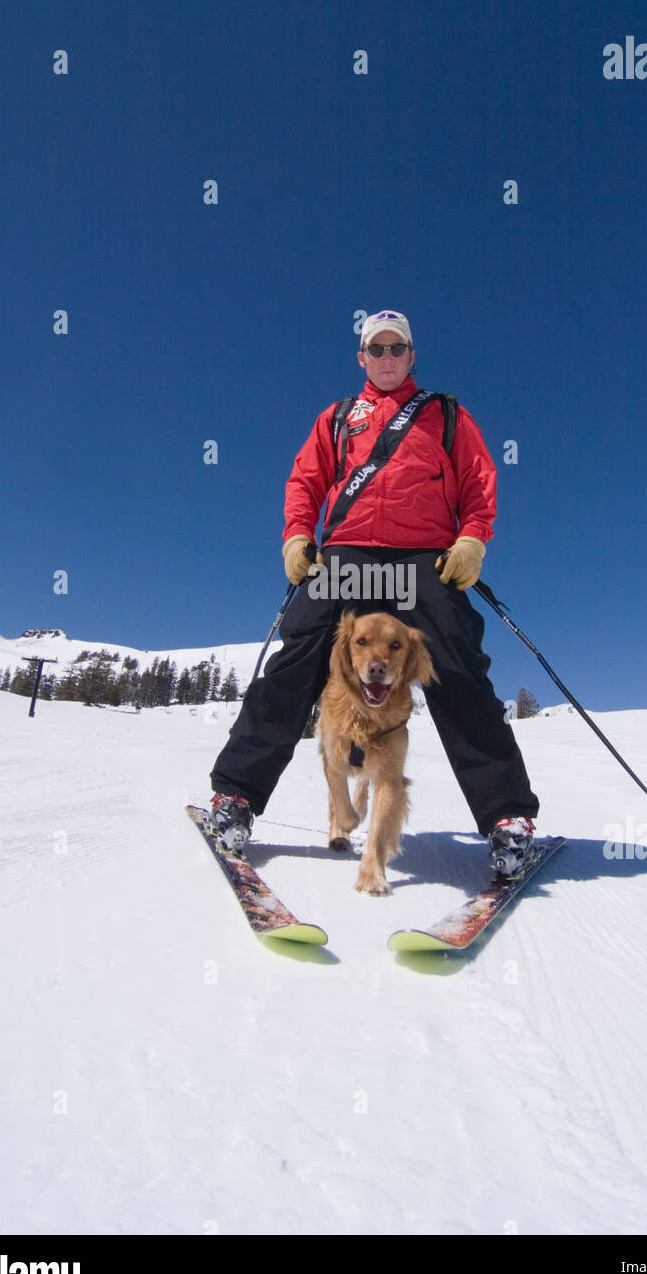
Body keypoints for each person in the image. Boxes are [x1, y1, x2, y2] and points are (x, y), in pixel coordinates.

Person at [208, 309, 540, 875]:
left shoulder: (447, 415)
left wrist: (471, 539)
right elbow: (306, 481)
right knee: (302, 657)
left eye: (397, 349)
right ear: (362, 358)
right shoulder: (338, 418)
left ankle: (507, 817)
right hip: (349, 551)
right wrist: (296, 536)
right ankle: (235, 795)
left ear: (412, 356)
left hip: (422, 557)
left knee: (456, 667)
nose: (387, 358)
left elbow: (479, 479)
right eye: (376, 349)